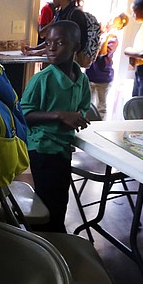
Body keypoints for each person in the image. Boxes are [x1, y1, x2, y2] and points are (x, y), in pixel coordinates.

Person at [21, 21, 91, 233]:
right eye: (48, 42)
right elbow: (23, 114)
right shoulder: (42, 79)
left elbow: (83, 108)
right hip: (42, 147)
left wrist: (77, 118)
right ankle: (48, 241)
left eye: (59, 43)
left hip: (63, 147)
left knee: (59, 199)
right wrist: (59, 116)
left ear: (75, 46)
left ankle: (51, 237)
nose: (51, 48)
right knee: (50, 200)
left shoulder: (81, 79)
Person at [22, 0, 87, 57]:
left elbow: (66, 43)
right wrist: (33, 48)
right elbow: (52, 40)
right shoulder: (60, 13)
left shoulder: (75, 14)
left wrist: (39, 52)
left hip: (70, 60)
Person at [87, 13, 129, 118]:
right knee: (87, 105)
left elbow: (102, 53)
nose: (110, 23)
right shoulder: (98, 33)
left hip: (103, 76)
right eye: (111, 20)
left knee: (101, 107)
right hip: (90, 73)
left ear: (119, 26)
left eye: (114, 22)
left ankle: (100, 127)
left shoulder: (113, 39)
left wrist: (106, 37)